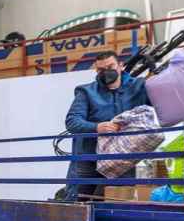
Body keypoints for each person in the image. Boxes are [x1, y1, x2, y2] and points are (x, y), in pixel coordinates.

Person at [64, 51, 150, 200]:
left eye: (110, 66)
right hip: (89, 159)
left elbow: (160, 109)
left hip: (122, 160)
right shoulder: (86, 92)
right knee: (78, 202)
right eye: (101, 70)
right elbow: (72, 121)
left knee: (115, 203)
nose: (106, 72)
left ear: (121, 66)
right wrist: (96, 127)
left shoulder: (139, 87)